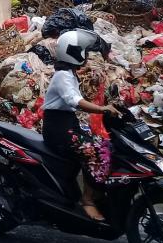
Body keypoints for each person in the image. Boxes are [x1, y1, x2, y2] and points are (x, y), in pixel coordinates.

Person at [42, 29, 118, 222]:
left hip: (68, 124)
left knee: (106, 145)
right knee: (94, 151)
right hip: (58, 129)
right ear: (74, 53)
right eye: (84, 52)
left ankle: (97, 190)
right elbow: (75, 101)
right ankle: (88, 200)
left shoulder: (69, 73)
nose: (86, 55)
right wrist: (101, 109)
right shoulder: (62, 76)